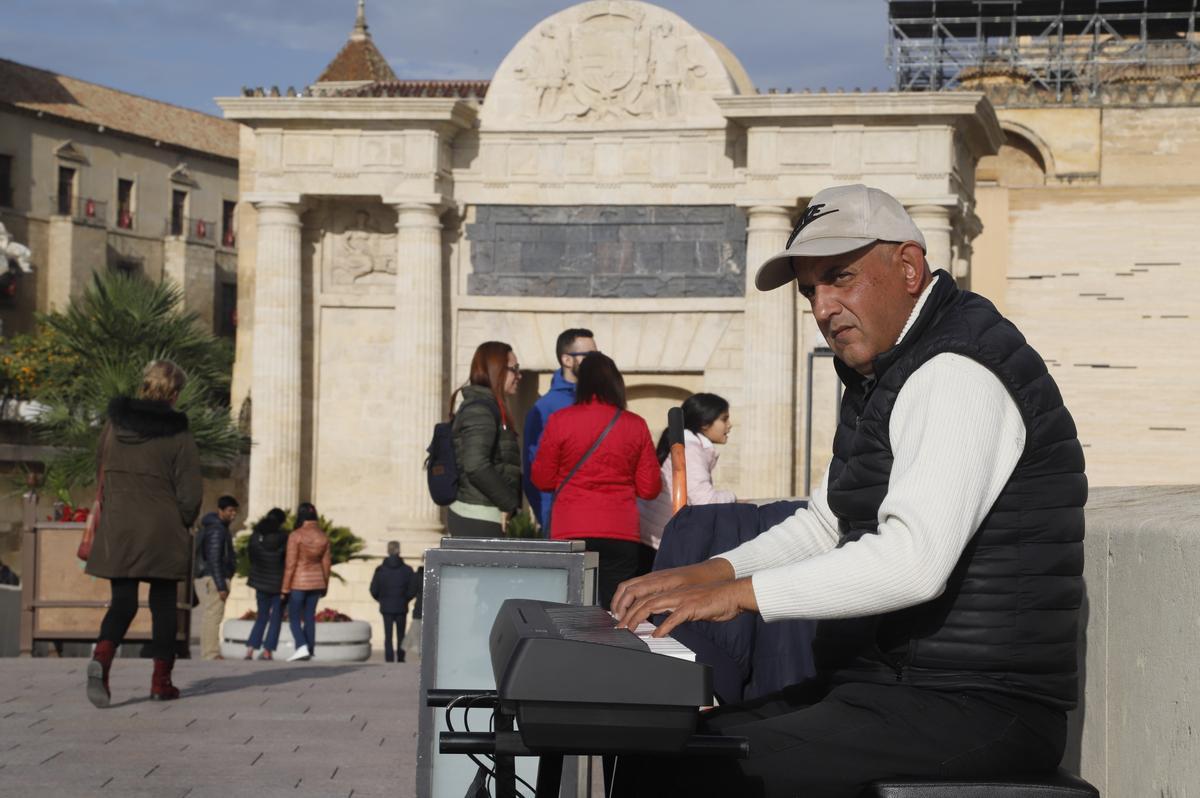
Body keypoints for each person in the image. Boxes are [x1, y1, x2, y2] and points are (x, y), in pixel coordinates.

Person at [612, 184, 1087, 797]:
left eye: (841, 278)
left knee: (699, 775)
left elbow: (914, 564)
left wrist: (739, 596)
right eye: (811, 290)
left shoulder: (957, 371)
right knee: (660, 749)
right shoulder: (885, 372)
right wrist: (705, 573)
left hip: (978, 704)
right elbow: (828, 523)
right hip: (895, 687)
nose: (823, 306)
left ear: (909, 269)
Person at [85, 360, 203, 707]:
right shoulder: (179, 434)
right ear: (175, 393)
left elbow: (100, 467)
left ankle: (102, 659)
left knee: (123, 601)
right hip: (162, 528)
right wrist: (182, 519)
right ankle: (160, 682)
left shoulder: (113, 425)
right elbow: (190, 491)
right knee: (164, 604)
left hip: (119, 525)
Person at [530, 353, 661, 610]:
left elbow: (542, 479)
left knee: (568, 609)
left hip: (571, 527)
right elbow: (649, 488)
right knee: (618, 610)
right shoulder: (635, 425)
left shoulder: (560, 420)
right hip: (620, 529)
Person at [638, 392, 737, 551]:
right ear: (705, 423)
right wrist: (732, 497)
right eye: (724, 419)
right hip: (658, 540)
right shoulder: (691, 450)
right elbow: (705, 502)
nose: (729, 425)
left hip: (654, 535)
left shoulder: (688, 446)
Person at [522, 328, 598, 531]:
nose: (595, 361)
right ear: (567, 360)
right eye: (589, 355)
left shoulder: (601, 401)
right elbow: (533, 467)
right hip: (560, 518)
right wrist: (547, 516)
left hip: (600, 516)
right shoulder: (545, 407)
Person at [448, 341, 523, 537]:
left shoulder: (489, 407)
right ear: (496, 369)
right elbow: (475, 465)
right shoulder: (480, 410)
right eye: (514, 369)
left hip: (485, 513)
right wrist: (509, 502)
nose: (519, 376)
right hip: (478, 516)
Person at [281, 502, 331, 662]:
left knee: (294, 617)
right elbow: (326, 564)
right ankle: (309, 649)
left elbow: (290, 564)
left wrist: (285, 588)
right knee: (309, 617)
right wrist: (325, 585)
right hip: (317, 582)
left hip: (298, 582)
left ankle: (301, 646)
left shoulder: (296, 535)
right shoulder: (323, 536)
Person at [194, 495, 240, 660]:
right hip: (216, 577)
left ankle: (208, 651)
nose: (233, 514)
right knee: (214, 616)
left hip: (215, 576)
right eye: (230, 511)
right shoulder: (217, 530)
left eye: (235, 511)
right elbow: (214, 559)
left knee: (211, 616)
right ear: (220, 511)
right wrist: (221, 585)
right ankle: (210, 652)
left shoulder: (218, 527)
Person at [244, 507, 288, 661]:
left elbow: (251, 557)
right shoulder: (284, 538)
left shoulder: (256, 537)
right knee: (276, 617)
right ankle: (268, 650)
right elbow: (287, 562)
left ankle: (250, 649)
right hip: (278, 584)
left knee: (261, 616)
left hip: (260, 582)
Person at [369, 540, 416, 663]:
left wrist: (381, 600)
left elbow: (373, 589)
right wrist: (406, 599)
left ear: (388, 550)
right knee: (401, 635)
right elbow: (413, 588)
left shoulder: (380, 570)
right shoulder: (407, 570)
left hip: (386, 607)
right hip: (401, 606)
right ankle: (401, 657)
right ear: (399, 550)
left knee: (388, 636)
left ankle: (389, 659)